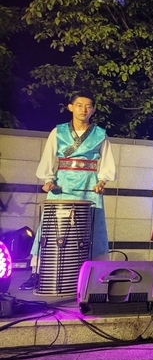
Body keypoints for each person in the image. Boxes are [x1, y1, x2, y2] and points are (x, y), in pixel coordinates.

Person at [21, 92, 116, 290]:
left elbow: (107, 161)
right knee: (51, 227)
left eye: (88, 106)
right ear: (70, 107)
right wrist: (48, 180)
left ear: (93, 110)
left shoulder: (100, 134)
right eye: (79, 105)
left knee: (92, 226)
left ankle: (95, 273)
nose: (83, 109)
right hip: (62, 184)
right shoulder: (58, 131)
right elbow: (48, 157)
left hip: (89, 185)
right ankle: (38, 271)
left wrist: (102, 181)